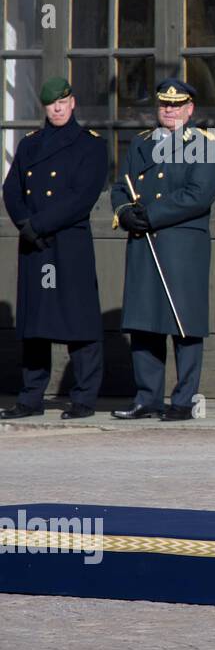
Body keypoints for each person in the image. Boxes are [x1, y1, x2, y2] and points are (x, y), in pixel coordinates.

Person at [110, 78, 215, 421]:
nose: (170, 111)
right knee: (145, 322)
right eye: (164, 105)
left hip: (181, 245)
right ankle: (148, 398)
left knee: (184, 323)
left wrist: (153, 214)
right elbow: (120, 187)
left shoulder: (206, 145)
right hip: (144, 242)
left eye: (177, 105)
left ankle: (183, 400)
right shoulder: (141, 144)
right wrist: (126, 213)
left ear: (190, 109)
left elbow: (199, 194)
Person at [0, 77, 107, 420]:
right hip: (35, 244)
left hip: (68, 241)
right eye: (51, 104)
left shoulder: (91, 145)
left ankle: (84, 398)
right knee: (36, 323)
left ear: (73, 103)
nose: (57, 109)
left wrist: (40, 224)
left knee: (79, 320)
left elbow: (82, 196)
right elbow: (12, 189)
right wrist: (25, 225)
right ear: (44, 107)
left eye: (62, 102)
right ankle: (31, 397)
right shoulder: (30, 145)